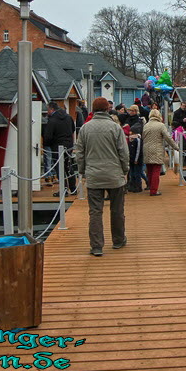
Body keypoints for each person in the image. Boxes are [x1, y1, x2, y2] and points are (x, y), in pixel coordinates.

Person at [75, 97, 129, 257]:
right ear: (107, 109)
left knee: (95, 212)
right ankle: (118, 240)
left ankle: (96, 246)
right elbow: (123, 153)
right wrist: (124, 170)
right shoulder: (115, 128)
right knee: (117, 210)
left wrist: (83, 171)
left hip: (93, 175)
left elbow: (80, 154)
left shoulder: (85, 129)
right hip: (114, 175)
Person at [142, 109, 179, 196]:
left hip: (146, 148)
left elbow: (143, 137)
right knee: (156, 170)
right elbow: (168, 137)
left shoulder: (146, 125)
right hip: (157, 149)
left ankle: (150, 187)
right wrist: (175, 147)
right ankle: (154, 190)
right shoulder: (161, 125)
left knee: (149, 170)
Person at [42, 101, 77, 196]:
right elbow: (73, 129)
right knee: (68, 167)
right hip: (68, 146)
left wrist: (47, 144)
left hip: (57, 146)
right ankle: (73, 189)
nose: (47, 112)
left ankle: (63, 189)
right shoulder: (68, 117)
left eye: (47, 110)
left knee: (59, 168)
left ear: (51, 109)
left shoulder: (52, 120)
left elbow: (48, 136)